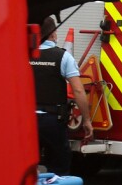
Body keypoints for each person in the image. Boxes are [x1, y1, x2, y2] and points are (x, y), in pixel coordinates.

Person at [31, 15, 93, 176]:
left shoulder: (23, 54)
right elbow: (78, 91)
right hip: (52, 120)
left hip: (26, 121)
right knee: (59, 167)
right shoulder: (62, 56)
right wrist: (86, 120)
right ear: (52, 33)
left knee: (27, 169)